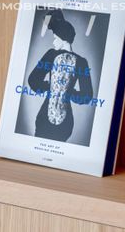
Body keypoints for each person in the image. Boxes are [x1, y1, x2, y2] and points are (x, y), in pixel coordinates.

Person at [27, 10, 94, 142]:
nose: (53, 42)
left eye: (55, 38)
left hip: (44, 119)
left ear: (63, 39)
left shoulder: (51, 55)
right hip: (66, 123)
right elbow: (86, 96)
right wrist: (68, 92)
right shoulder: (82, 62)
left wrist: (50, 87)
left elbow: (33, 80)